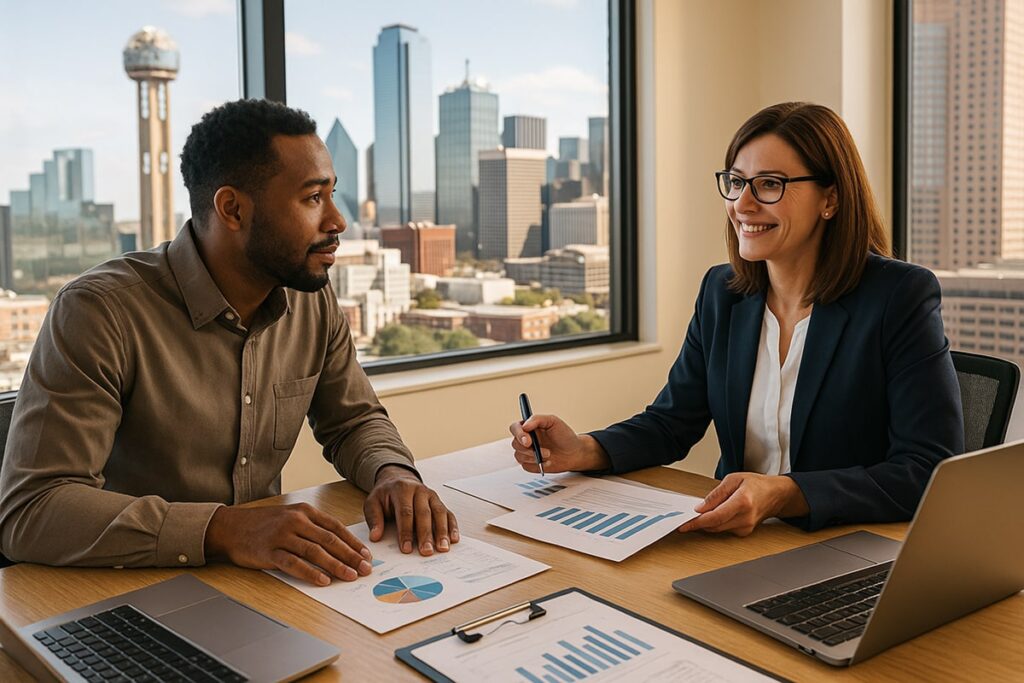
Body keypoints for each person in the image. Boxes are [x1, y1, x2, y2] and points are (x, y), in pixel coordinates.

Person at [0, 99, 459, 586]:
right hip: (121, 588)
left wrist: (393, 474)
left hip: (258, 580)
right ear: (233, 209)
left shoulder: (309, 299)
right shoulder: (99, 312)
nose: (337, 221)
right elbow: (33, 509)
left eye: (333, 195)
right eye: (312, 199)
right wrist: (221, 529)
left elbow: (354, 420)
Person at [510, 102, 964, 535]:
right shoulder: (721, 294)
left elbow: (927, 469)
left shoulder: (898, 296)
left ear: (830, 199)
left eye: (769, 184)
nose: (742, 205)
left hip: (847, 544)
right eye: (736, 181)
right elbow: (671, 423)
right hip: (733, 541)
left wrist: (787, 495)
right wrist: (583, 449)